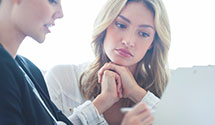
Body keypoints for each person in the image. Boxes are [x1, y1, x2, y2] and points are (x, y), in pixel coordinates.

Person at [45, 0, 171, 124]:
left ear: (153, 43)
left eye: (143, 34)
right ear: (105, 25)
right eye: (121, 25)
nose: (128, 41)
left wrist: (137, 93)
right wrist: (102, 102)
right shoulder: (62, 79)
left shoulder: (168, 89)